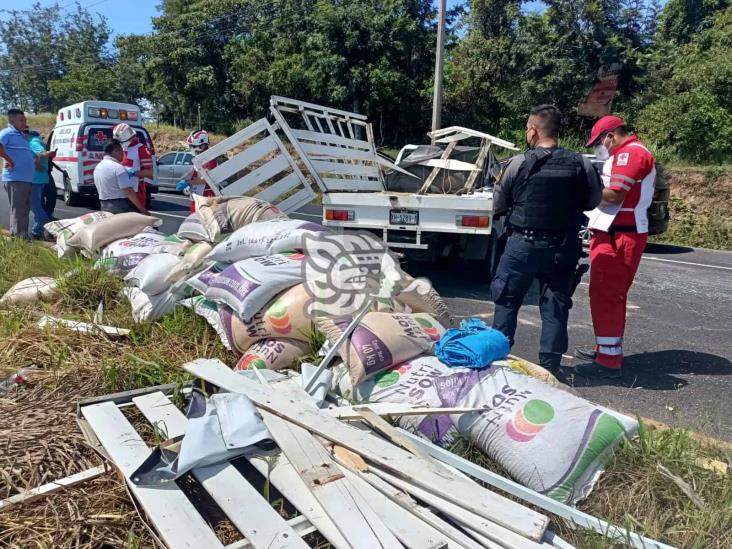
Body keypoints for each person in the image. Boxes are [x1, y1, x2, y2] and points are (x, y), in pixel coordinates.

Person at [490, 105, 602, 373]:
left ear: (534, 130)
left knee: (507, 300)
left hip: (522, 245)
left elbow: (499, 202)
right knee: (555, 304)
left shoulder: (518, 163)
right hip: (562, 248)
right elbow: (592, 201)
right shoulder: (581, 163)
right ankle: (551, 368)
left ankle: (497, 365)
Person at [574, 115, 656, 379]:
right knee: (604, 295)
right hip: (614, 230)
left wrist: (580, 190)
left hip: (620, 234)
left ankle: (609, 361)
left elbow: (615, 194)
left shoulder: (629, 154)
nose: (600, 148)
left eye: (599, 142)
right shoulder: (626, 154)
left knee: (608, 295)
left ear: (610, 136)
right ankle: (606, 349)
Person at [0, 109, 35, 237]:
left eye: (24, 120)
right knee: (18, 210)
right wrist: (10, 161)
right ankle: (18, 237)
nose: (24, 122)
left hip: (26, 179)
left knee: (24, 210)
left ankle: (23, 235)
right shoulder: (7, 133)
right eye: (21, 120)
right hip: (15, 178)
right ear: (11, 120)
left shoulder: (20, 135)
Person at [94, 139, 148, 214]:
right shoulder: (118, 168)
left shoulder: (98, 167)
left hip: (104, 205)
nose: (124, 154)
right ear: (116, 151)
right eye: (122, 151)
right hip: (121, 206)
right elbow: (129, 191)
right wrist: (142, 209)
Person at [112, 123, 154, 209]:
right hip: (120, 189)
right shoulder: (120, 148)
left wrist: (133, 173)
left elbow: (150, 172)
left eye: (121, 141)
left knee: (136, 215)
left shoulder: (141, 149)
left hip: (136, 189)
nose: (120, 144)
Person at [25, 129, 56, 239]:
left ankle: (40, 229)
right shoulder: (34, 142)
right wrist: (48, 154)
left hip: (37, 179)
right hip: (38, 179)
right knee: (37, 206)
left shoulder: (32, 142)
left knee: (37, 205)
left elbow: (40, 155)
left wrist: (37, 161)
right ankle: (39, 229)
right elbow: (41, 154)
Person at [176, 130, 217, 213]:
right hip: (198, 196)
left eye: (193, 146)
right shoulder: (200, 158)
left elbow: (205, 179)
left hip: (206, 196)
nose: (191, 148)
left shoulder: (209, 158)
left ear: (201, 146)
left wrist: (188, 182)